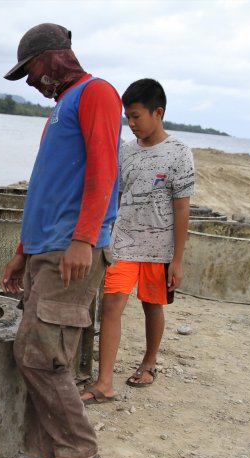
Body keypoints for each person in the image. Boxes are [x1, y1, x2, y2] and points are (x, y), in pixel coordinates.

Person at [0, 23, 121, 458]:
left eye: (30, 71)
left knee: (43, 353)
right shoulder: (60, 109)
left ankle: (77, 446)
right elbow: (46, 191)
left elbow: (105, 171)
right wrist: (21, 252)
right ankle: (41, 448)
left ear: (53, 58)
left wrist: (84, 239)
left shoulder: (96, 93)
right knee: (36, 351)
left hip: (71, 249)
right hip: (44, 250)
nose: (31, 82)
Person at [80, 79, 194, 404]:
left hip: (159, 249)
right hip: (124, 243)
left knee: (152, 306)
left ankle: (149, 362)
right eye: (126, 117)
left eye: (136, 116)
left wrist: (178, 259)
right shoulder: (124, 150)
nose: (130, 124)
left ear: (158, 112)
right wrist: (102, 235)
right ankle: (104, 382)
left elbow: (182, 207)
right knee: (112, 305)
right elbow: (114, 195)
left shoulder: (179, 154)